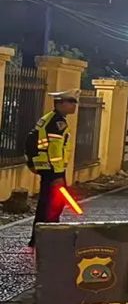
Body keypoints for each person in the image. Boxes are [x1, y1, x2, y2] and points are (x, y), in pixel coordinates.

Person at [25, 89, 78, 246]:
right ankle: (46, 238)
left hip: (48, 169)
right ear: (60, 103)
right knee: (52, 205)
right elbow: (54, 150)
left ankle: (41, 237)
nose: (74, 105)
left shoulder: (50, 119)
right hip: (52, 171)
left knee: (48, 204)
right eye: (71, 102)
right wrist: (57, 175)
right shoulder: (56, 123)